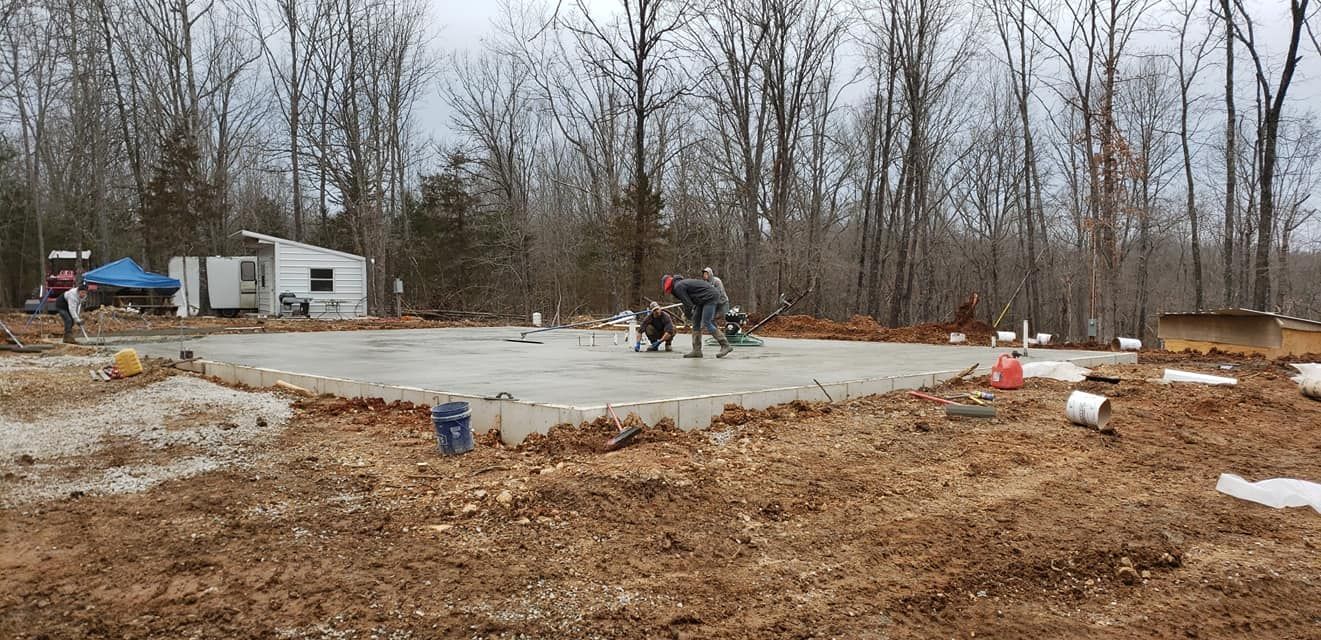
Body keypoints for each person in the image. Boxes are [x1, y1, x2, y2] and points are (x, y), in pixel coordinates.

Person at [662, 273, 733, 359]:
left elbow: (688, 304)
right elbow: (693, 300)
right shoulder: (681, 284)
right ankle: (696, 350)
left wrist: (687, 316)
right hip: (702, 299)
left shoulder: (678, 287)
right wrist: (691, 314)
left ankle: (725, 345)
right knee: (696, 321)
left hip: (710, 297)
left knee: (707, 322)